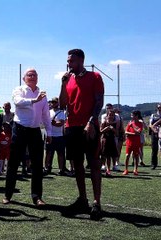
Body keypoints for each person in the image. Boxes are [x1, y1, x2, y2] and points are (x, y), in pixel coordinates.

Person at [59, 49, 104, 220]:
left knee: (93, 163)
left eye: (72, 61)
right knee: (77, 164)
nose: (69, 63)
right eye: (68, 60)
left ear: (81, 61)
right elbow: (63, 104)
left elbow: (99, 101)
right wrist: (63, 84)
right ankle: (82, 199)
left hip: (89, 126)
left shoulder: (95, 77)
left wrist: (91, 121)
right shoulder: (68, 80)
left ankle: (96, 202)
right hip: (72, 127)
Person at [2, 68, 52, 207]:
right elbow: (18, 102)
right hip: (19, 130)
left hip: (35, 131)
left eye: (35, 75)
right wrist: (34, 100)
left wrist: (49, 132)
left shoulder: (42, 94)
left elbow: (46, 114)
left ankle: (37, 197)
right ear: (24, 78)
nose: (32, 76)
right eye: (29, 75)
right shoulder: (19, 90)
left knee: (37, 166)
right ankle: (8, 194)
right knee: (13, 163)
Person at [44, 97, 70, 176]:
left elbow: (60, 124)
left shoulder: (61, 112)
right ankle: (46, 168)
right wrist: (53, 123)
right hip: (50, 135)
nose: (53, 103)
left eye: (55, 102)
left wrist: (52, 122)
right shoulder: (48, 112)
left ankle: (61, 169)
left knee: (61, 154)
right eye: (52, 102)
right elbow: (46, 122)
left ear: (58, 103)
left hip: (59, 136)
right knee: (48, 153)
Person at [123, 110, 143, 176]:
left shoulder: (140, 124)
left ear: (136, 116)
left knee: (136, 156)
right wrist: (133, 133)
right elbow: (126, 132)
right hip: (129, 142)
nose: (131, 116)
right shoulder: (130, 123)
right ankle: (126, 170)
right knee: (127, 156)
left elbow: (138, 133)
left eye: (132, 115)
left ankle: (135, 170)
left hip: (136, 142)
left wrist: (133, 127)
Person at [99, 109, 119, 176]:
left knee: (109, 156)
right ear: (107, 115)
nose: (111, 116)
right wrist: (106, 128)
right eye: (110, 115)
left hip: (111, 140)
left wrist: (113, 129)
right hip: (104, 140)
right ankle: (101, 168)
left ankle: (108, 170)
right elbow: (100, 132)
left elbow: (117, 134)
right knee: (103, 155)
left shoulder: (115, 123)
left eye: (112, 115)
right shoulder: (104, 122)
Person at [149, 103, 161, 169]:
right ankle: (154, 164)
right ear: (157, 108)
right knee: (154, 149)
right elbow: (150, 125)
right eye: (159, 107)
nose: (160, 109)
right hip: (154, 134)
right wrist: (154, 131)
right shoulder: (153, 115)